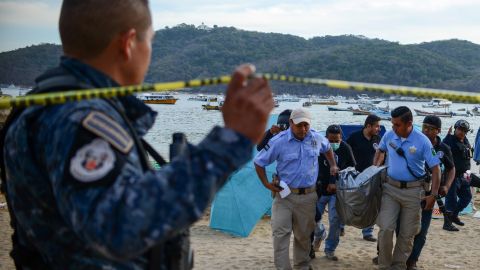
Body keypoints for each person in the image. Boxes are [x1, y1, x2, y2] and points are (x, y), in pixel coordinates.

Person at [0, 0, 274, 268]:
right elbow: (118, 225)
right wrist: (231, 140)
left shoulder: (47, 105)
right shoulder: (80, 120)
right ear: (128, 43)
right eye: (150, 41)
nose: (150, 50)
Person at [254, 108, 338, 270]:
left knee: (303, 236)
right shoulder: (279, 141)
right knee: (280, 235)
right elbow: (259, 162)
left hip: (308, 197)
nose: (303, 129)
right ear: (291, 123)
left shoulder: (316, 138)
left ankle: (302, 266)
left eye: (306, 125)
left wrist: (333, 165)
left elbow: (328, 148)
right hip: (284, 197)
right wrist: (266, 184)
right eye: (299, 125)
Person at [373, 106, 441, 270]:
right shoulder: (389, 135)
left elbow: (436, 168)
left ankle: (398, 266)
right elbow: (380, 151)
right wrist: (374, 169)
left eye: (397, 125)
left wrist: (433, 195)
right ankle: (384, 265)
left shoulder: (423, 140)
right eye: (392, 124)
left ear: (409, 123)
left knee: (407, 234)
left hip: (413, 192)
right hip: (390, 189)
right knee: (386, 229)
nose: (393, 128)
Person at [404, 116, 456, 270]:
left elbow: (451, 168)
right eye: (424, 127)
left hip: (429, 194)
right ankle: (386, 253)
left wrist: (446, 186)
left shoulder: (443, 148)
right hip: (409, 191)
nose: (426, 131)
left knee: (422, 230)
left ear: (438, 131)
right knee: (401, 227)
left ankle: (412, 261)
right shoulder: (414, 142)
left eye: (431, 128)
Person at [313, 125, 356, 261]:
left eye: (337, 140)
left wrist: (339, 181)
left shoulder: (345, 148)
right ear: (325, 138)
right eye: (331, 140)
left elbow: (352, 168)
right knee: (311, 219)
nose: (334, 143)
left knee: (335, 220)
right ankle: (319, 234)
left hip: (337, 192)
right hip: (319, 190)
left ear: (341, 138)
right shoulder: (318, 148)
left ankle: (330, 249)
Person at [346, 114, 382, 242]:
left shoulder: (378, 139)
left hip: (371, 176)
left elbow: (382, 154)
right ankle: (341, 225)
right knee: (350, 202)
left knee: (371, 204)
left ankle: (367, 232)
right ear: (368, 125)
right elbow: (345, 151)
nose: (379, 129)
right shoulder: (354, 137)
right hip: (355, 175)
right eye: (377, 126)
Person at [442, 120, 473, 228]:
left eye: (464, 131)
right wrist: (446, 137)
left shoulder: (465, 141)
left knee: (467, 197)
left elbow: (469, 156)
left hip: (464, 176)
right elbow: (440, 151)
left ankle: (454, 215)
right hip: (452, 176)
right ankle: (447, 224)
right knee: (451, 201)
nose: (461, 132)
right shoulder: (449, 140)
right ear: (455, 129)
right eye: (460, 129)